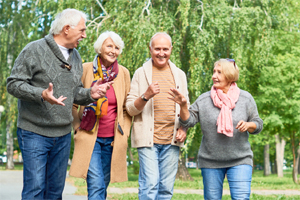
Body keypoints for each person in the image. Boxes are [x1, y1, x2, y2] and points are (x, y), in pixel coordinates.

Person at [6, 9, 112, 200]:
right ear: (66, 29)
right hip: (34, 133)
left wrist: (91, 94)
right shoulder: (34, 50)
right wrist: (41, 94)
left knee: (55, 192)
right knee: (35, 190)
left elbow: (75, 93)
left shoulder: (76, 56)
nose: (84, 35)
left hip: (62, 135)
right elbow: (13, 84)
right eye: (82, 30)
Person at [169, 58, 263, 200]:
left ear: (230, 75)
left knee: (241, 198)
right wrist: (183, 106)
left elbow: (258, 123)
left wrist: (249, 125)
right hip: (211, 161)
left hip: (240, 159)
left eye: (219, 72)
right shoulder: (204, 100)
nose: (214, 76)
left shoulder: (245, 98)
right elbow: (188, 121)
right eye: (214, 72)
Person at [126, 32, 189, 200]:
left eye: (165, 49)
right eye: (157, 49)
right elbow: (130, 109)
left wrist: (184, 127)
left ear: (171, 49)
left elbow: (186, 110)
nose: (161, 53)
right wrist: (146, 95)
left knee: (166, 189)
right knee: (150, 185)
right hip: (148, 140)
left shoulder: (180, 75)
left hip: (172, 140)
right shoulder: (141, 73)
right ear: (150, 49)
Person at [69, 31, 132, 199]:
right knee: (96, 183)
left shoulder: (124, 73)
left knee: (103, 184)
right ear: (100, 48)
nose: (113, 50)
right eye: (109, 46)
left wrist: (124, 132)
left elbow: (127, 108)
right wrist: (77, 129)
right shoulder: (85, 69)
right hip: (90, 137)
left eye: (117, 47)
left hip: (113, 139)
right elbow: (73, 103)